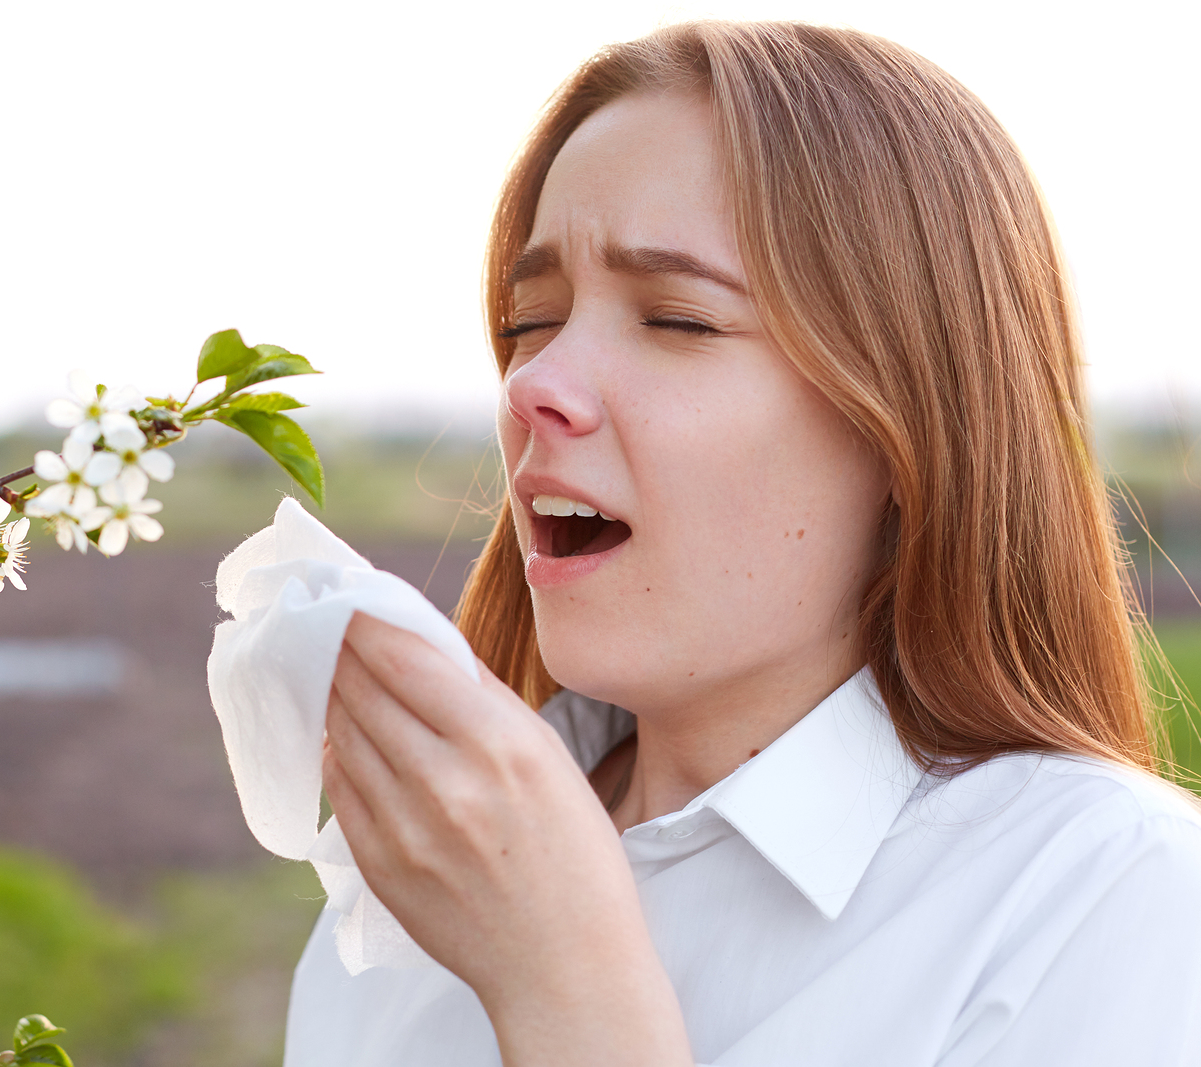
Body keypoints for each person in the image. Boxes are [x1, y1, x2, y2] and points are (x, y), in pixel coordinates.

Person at [288, 19, 1201, 1066]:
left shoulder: (1103, 898)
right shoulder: (413, 875)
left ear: (908, 422)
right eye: (529, 321)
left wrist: (566, 989)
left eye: (676, 319)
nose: (532, 386)